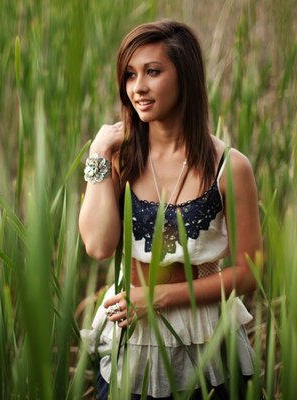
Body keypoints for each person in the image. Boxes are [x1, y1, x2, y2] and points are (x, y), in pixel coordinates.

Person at [79, 20, 262, 399]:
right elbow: (97, 246)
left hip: (204, 341)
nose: (138, 87)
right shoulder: (121, 161)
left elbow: (248, 273)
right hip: (131, 337)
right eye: (130, 75)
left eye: (153, 72)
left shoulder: (229, 166)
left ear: (186, 77)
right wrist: (98, 154)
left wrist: (158, 298)